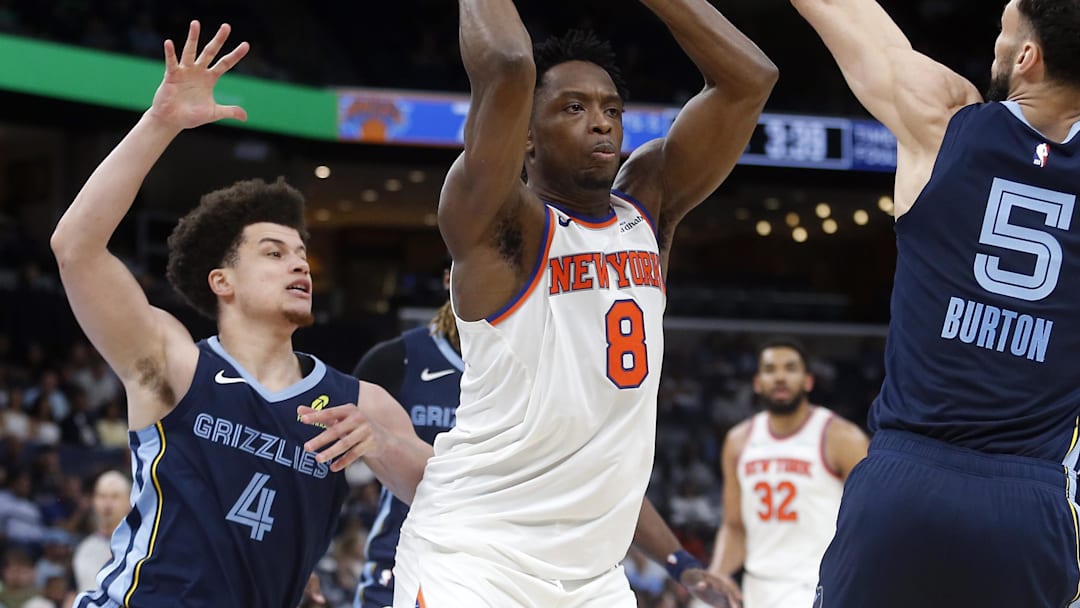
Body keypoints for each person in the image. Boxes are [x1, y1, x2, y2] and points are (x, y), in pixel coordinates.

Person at [392, 0, 778, 605]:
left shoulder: (648, 205)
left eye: (611, 109)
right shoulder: (502, 222)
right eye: (573, 108)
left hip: (594, 578)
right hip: (476, 561)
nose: (601, 123)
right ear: (525, 133)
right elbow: (508, 65)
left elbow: (750, 80)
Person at [51, 21, 430, 608]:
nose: (299, 266)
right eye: (274, 254)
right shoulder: (172, 364)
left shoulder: (361, 403)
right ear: (221, 281)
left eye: (302, 255)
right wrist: (161, 122)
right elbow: (75, 247)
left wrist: (382, 445)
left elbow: (450, 496)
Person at [789, 1, 1080, 605]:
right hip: (1028, 503)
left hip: (907, 478)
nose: (993, 47)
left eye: (1002, 33)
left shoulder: (943, 118)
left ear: (1027, 57)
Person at [353, 277, 741, 608]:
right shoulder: (398, 360)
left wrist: (680, 563)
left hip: (530, 579)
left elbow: (598, 482)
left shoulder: (562, 369)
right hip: (421, 568)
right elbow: (330, 466)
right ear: (453, 277)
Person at [704, 340, 866, 608]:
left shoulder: (841, 437)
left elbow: (869, 521)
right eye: (770, 369)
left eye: (790, 368)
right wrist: (718, 571)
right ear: (757, 382)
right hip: (758, 586)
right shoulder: (738, 441)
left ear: (808, 381)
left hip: (818, 585)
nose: (780, 376)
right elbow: (734, 526)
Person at [72, 471, 131, 594]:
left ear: (129, 502)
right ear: (94, 501)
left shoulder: (141, 547)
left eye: (115, 496)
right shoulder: (84, 549)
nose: (107, 504)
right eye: (102, 496)